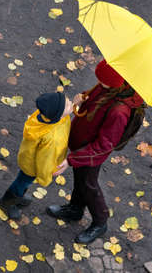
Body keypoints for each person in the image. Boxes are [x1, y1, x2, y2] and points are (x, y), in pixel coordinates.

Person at [47, 59, 144, 244]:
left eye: (103, 80)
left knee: (89, 186)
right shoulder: (109, 87)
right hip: (82, 147)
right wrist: (81, 99)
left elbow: (104, 146)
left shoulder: (119, 112)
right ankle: (75, 209)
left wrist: (72, 159)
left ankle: (100, 222)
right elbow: (95, 101)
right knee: (81, 181)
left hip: (91, 154)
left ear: (117, 82)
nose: (99, 83)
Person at [0, 92, 74, 220]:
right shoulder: (52, 139)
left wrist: (74, 105)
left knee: (23, 181)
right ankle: (7, 202)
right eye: (67, 105)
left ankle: (18, 196)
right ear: (58, 115)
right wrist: (45, 176)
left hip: (27, 157)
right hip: (33, 166)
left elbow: (62, 114)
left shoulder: (44, 116)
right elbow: (45, 161)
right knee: (22, 182)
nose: (70, 103)